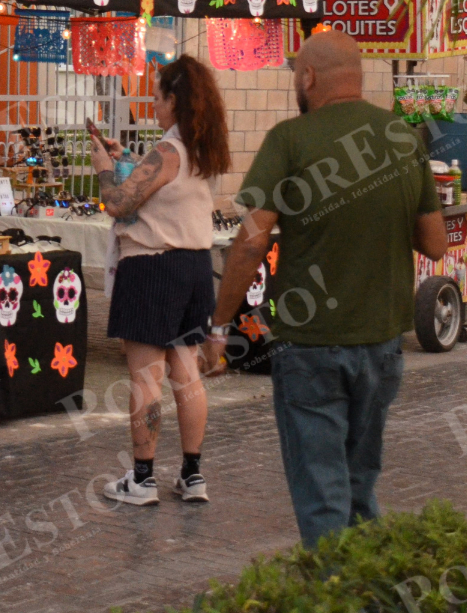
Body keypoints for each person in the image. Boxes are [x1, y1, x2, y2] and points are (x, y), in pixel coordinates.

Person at [204, 31, 446, 547]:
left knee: (322, 495)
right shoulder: (404, 137)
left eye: (297, 74)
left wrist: (219, 326)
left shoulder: (290, 140)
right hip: (382, 345)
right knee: (359, 488)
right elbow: (435, 243)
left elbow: (250, 243)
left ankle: (334, 586)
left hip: (310, 345)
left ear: (309, 77)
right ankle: (367, 584)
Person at [89, 55, 231, 506]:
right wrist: (128, 159)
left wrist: (104, 167)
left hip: (152, 268)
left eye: (157, 97)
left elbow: (117, 202)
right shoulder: (200, 149)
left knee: (146, 378)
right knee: (187, 376)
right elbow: (162, 187)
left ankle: (143, 478)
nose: (152, 105)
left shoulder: (167, 151)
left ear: (174, 100)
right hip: (194, 268)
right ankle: (192, 474)